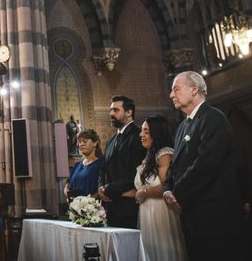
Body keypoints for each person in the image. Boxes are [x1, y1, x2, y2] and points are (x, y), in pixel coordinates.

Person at [163, 71, 242, 261]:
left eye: (176, 89)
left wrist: (177, 192)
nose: (171, 95)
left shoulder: (214, 118)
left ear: (194, 89)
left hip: (215, 216)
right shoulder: (183, 126)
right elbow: (175, 165)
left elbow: (207, 163)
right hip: (191, 215)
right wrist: (167, 189)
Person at [134, 115, 188, 261]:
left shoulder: (164, 154)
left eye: (146, 131)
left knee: (163, 251)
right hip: (148, 212)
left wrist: (145, 191)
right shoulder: (149, 155)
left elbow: (167, 186)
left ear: (156, 133)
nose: (141, 134)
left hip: (161, 212)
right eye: (142, 131)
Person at [98, 95, 146, 228]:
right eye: (110, 110)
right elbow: (103, 169)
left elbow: (136, 171)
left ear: (129, 112)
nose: (111, 114)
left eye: (115, 110)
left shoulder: (138, 136)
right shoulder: (111, 140)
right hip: (109, 208)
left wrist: (110, 189)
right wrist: (101, 187)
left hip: (128, 207)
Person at [64, 129, 104, 200]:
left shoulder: (102, 163)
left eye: (85, 141)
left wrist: (85, 202)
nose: (81, 144)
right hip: (75, 207)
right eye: (79, 142)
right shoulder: (77, 165)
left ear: (95, 143)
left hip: (93, 207)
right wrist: (66, 190)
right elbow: (68, 184)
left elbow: (103, 188)